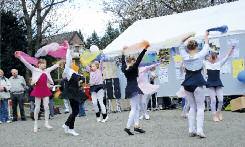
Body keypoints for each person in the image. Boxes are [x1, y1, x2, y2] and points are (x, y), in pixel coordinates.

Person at [15, 51, 62, 133]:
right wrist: (20, 57)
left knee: (46, 107)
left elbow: (55, 66)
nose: (45, 65)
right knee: (37, 108)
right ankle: (35, 124)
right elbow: (27, 63)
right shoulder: (34, 70)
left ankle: (46, 123)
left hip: (45, 90)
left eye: (45, 63)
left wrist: (61, 61)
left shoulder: (47, 71)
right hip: (37, 90)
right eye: (43, 63)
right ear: (39, 64)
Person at [180, 32, 210, 138]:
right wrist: (206, 36)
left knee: (192, 107)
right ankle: (199, 130)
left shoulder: (184, 55)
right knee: (200, 107)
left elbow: (180, 42)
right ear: (196, 47)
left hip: (187, 83)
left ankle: (191, 129)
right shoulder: (200, 54)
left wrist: (188, 35)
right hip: (198, 82)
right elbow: (207, 45)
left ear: (187, 48)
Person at [121, 41, 149, 136]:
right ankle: (128, 127)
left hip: (129, 88)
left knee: (136, 108)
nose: (134, 61)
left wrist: (123, 52)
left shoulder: (124, 69)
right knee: (134, 108)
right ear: (131, 61)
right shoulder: (133, 68)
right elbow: (139, 59)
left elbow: (123, 62)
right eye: (133, 60)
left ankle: (136, 126)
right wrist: (145, 49)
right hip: (134, 89)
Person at [204, 47, 234, 122]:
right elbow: (199, 58)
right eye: (211, 58)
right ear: (209, 58)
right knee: (213, 100)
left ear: (216, 58)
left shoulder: (219, 64)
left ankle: (219, 112)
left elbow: (227, 56)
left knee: (220, 100)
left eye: (214, 58)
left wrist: (231, 49)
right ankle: (214, 115)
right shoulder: (206, 63)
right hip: (210, 83)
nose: (213, 60)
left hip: (217, 82)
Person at [62, 47, 86, 136]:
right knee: (75, 111)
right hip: (72, 93)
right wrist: (68, 49)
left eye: (73, 61)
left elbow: (81, 78)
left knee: (75, 111)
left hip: (76, 92)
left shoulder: (73, 71)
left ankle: (67, 125)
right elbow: (68, 60)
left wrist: (81, 79)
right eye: (72, 61)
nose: (73, 62)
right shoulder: (67, 70)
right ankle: (70, 127)